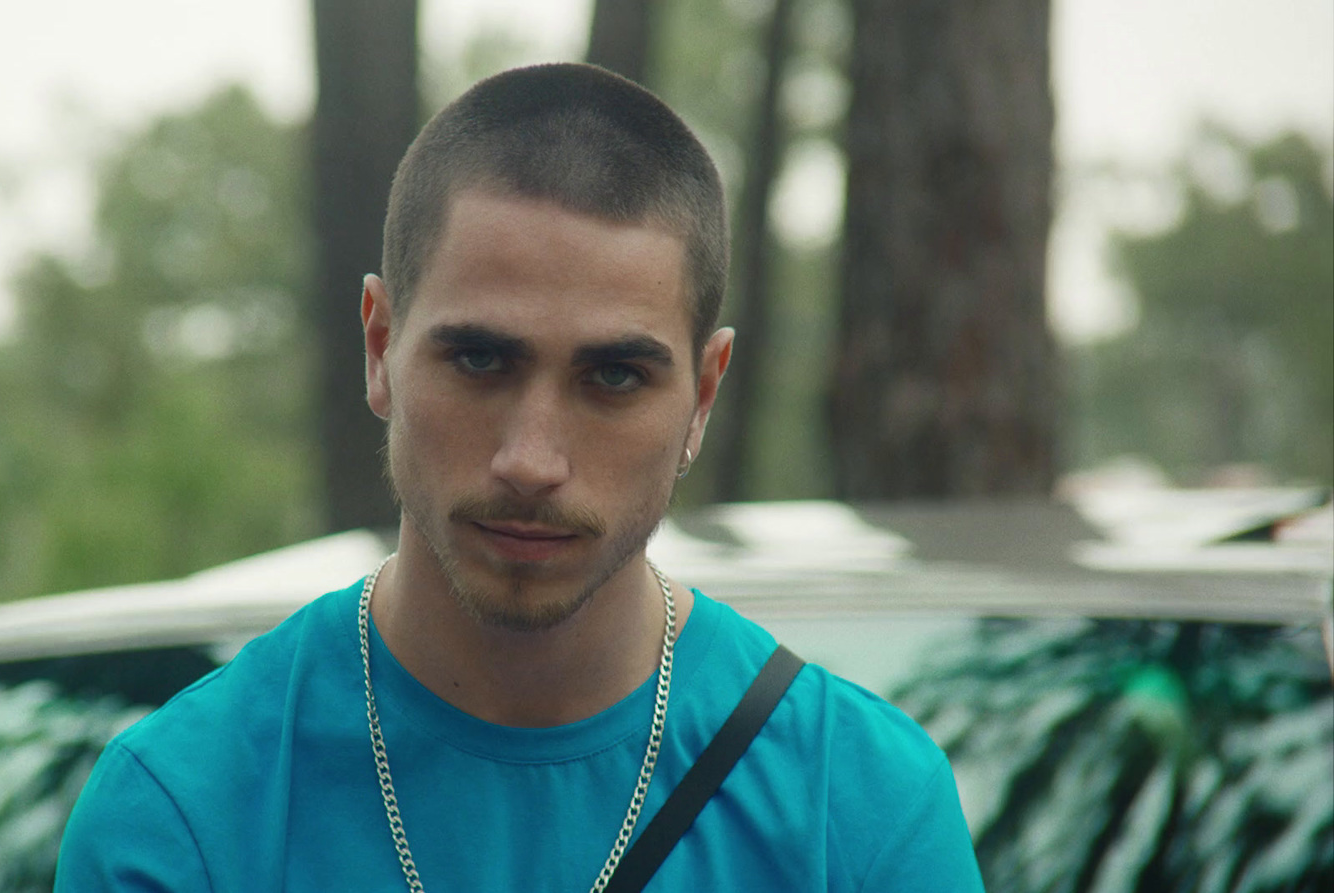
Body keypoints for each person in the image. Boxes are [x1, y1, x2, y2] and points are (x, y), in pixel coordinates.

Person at [56, 62, 985, 892]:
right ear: (380, 346)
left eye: (614, 377)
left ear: (704, 394)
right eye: (480, 361)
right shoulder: (188, 805)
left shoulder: (856, 806)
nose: (531, 460)